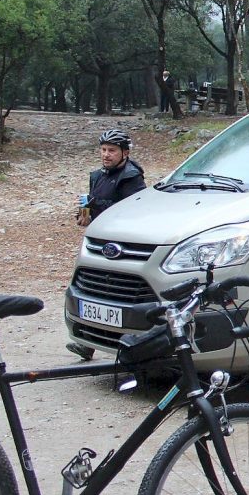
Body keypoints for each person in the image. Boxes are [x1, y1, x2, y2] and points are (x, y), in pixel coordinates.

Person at [68, 129, 146, 360]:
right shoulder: (97, 175)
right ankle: (86, 342)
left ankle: (128, 345)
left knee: (117, 297)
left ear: (125, 153)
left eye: (111, 150)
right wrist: (86, 214)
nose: (106, 155)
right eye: (103, 150)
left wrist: (100, 205)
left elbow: (133, 211)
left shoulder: (132, 177)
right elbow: (94, 207)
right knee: (92, 293)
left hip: (122, 245)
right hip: (100, 241)